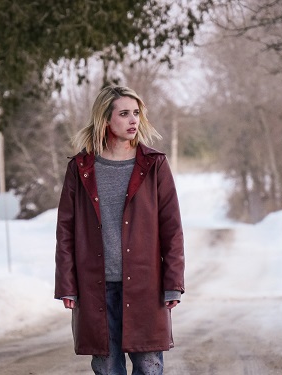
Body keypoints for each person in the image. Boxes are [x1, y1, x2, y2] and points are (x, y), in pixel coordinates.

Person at [54, 85, 184, 375]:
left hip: (145, 286)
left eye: (136, 113)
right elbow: (65, 231)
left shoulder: (155, 165)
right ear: (105, 119)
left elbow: (172, 228)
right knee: (107, 369)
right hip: (95, 288)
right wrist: (67, 284)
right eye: (124, 114)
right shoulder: (80, 167)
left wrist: (173, 281)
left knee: (149, 369)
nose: (133, 120)